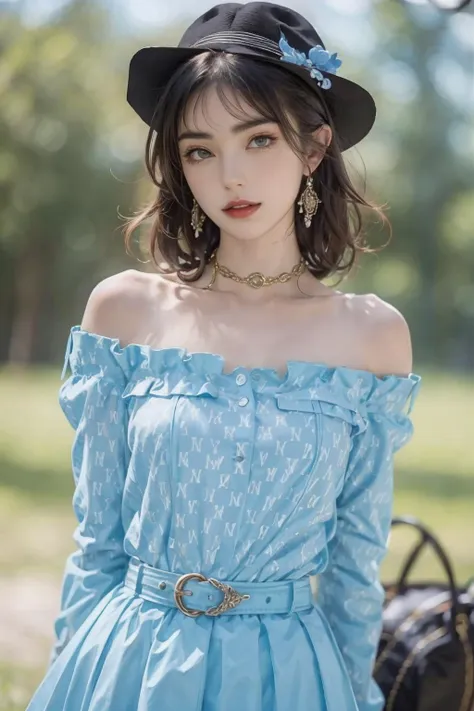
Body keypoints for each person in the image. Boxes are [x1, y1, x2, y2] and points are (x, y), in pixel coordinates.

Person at [27, 3, 422, 710]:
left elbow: (355, 570)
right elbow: (98, 545)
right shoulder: (123, 311)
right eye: (199, 149)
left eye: (259, 139)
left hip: (290, 675)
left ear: (313, 147)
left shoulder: (371, 336)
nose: (229, 176)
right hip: (131, 664)